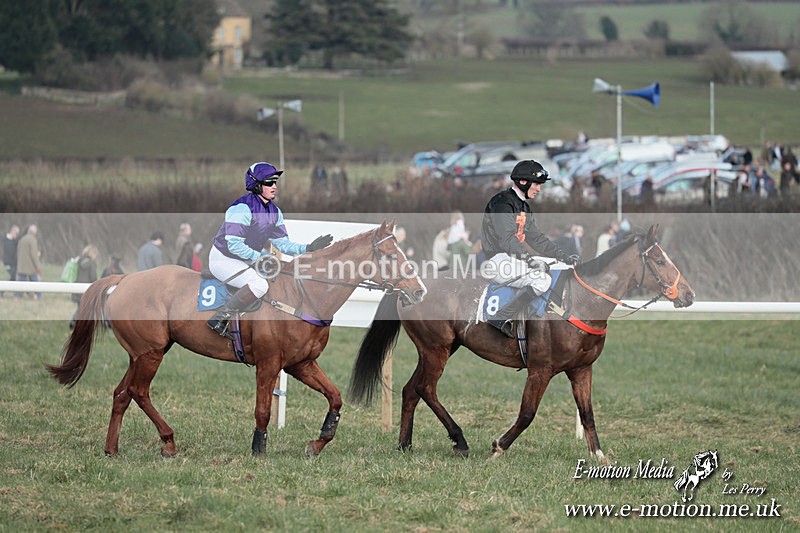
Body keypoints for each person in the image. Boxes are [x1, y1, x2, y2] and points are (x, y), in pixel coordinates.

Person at [207, 161, 333, 338]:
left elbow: (283, 244)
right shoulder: (241, 208)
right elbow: (233, 245)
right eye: (269, 182)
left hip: (247, 260)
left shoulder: (275, 212)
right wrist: (260, 257)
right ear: (257, 185)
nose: (274, 186)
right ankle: (220, 319)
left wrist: (309, 247)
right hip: (224, 259)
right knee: (259, 285)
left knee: (280, 279)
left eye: (275, 182)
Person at [480, 160, 578, 337]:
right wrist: (529, 259)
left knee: (563, 267)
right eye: (537, 184)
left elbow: (538, 239)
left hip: (514, 259)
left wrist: (563, 256)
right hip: (497, 261)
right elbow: (507, 239)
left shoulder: (523, 206)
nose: (539, 189)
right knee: (542, 280)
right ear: (523, 182)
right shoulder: (502, 203)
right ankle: (500, 317)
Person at [69, 244, 99, 328]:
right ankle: (75, 321)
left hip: (76, 287)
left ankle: (75, 321)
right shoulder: (92, 263)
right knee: (85, 307)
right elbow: (93, 277)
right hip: (86, 288)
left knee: (81, 306)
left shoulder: (78, 260)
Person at [16, 224, 43, 300]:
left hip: (21, 265)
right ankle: (39, 296)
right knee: (36, 281)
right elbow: (34, 254)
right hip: (30, 266)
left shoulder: (22, 239)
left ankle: (17, 296)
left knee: (21, 282)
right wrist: (37, 266)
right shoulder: (32, 240)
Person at [2, 224, 20, 298]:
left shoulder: (14, 241)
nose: (17, 235)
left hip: (14, 263)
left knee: (13, 278)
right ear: (12, 232)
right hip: (8, 263)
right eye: (16, 233)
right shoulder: (5, 240)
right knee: (13, 278)